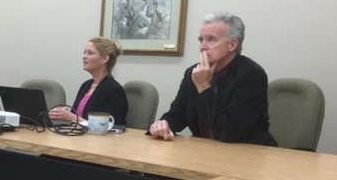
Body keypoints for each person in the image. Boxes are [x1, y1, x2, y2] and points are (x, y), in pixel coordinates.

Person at [149, 12, 278, 146]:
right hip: (206, 151)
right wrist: (162, 125)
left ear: (232, 45)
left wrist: (204, 87)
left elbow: (228, 131)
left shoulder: (252, 75)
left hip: (247, 154)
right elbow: (177, 115)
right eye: (201, 40)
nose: (202, 46)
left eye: (211, 39)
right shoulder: (193, 73)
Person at [49, 37, 128, 126]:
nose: (84, 56)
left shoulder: (115, 90)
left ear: (104, 59)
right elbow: (75, 119)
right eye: (84, 52)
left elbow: (109, 127)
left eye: (90, 53)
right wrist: (61, 115)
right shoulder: (85, 85)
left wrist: (72, 117)